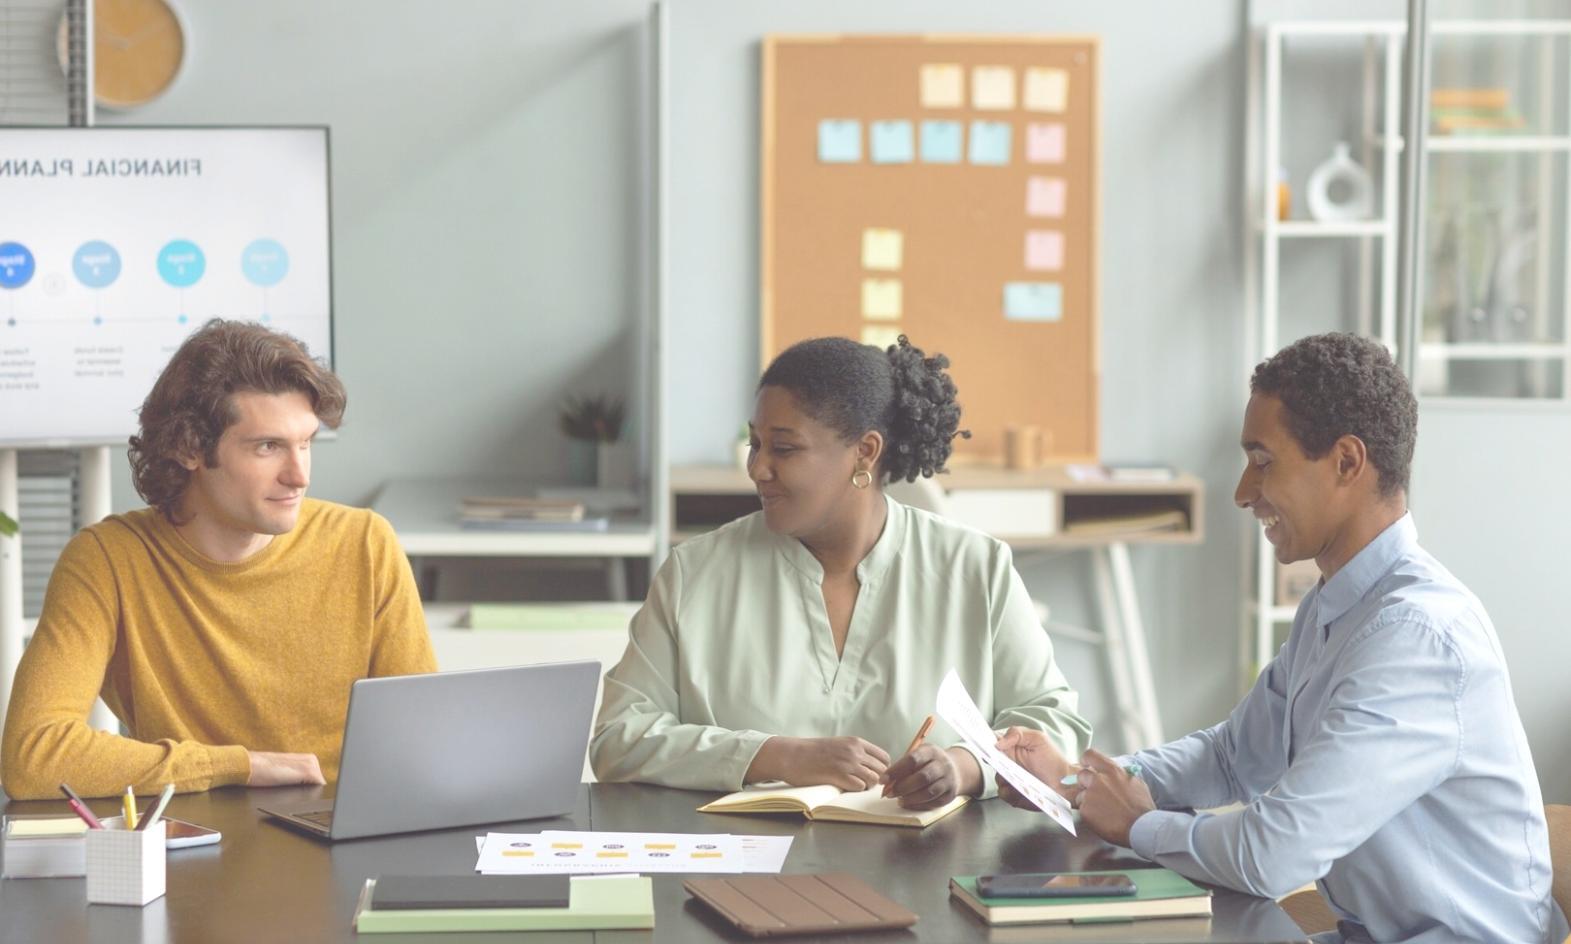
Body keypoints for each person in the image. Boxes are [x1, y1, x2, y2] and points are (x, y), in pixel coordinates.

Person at [996, 332, 1566, 943]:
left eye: (1263, 461)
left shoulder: (1416, 636)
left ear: (1347, 462)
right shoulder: (1337, 604)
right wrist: (1079, 781)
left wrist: (1138, 824)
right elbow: (1232, 757)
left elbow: (1274, 853)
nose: (1244, 493)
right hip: (1355, 929)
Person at [591, 335, 1089, 808]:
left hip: (929, 868)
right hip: (748, 869)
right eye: (755, 444)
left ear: (865, 452)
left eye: (783, 449)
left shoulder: (977, 569)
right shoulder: (695, 574)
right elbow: (618, 737)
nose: (758, 468)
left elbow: (1053, 722)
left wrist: (965, 767)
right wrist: (776, 755)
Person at [1, 319, 436, 800]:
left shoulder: (365, 544)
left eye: (306, 443)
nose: (299, 475)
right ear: (190, 447)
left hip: (340, 838)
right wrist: (237, 765)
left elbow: (424, 748)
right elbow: (32, 757)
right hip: (196, 844)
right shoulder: (108, 561)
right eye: (268, 447)